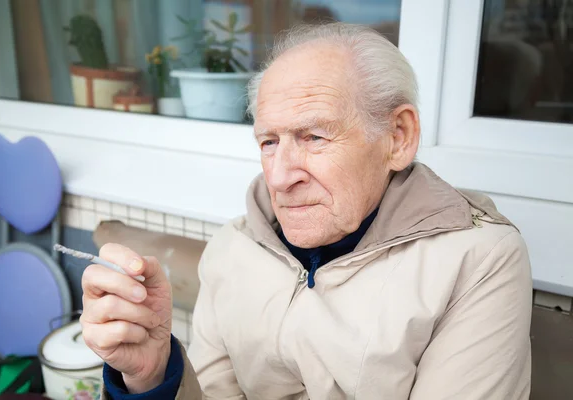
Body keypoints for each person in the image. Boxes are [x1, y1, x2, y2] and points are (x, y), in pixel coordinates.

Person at [81, 23, 532, 399]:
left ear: (397, 137)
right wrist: (154, 376)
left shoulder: (479, 260)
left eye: (314, 137)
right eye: (269, 142)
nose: (278, 177)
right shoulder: (233, 248)